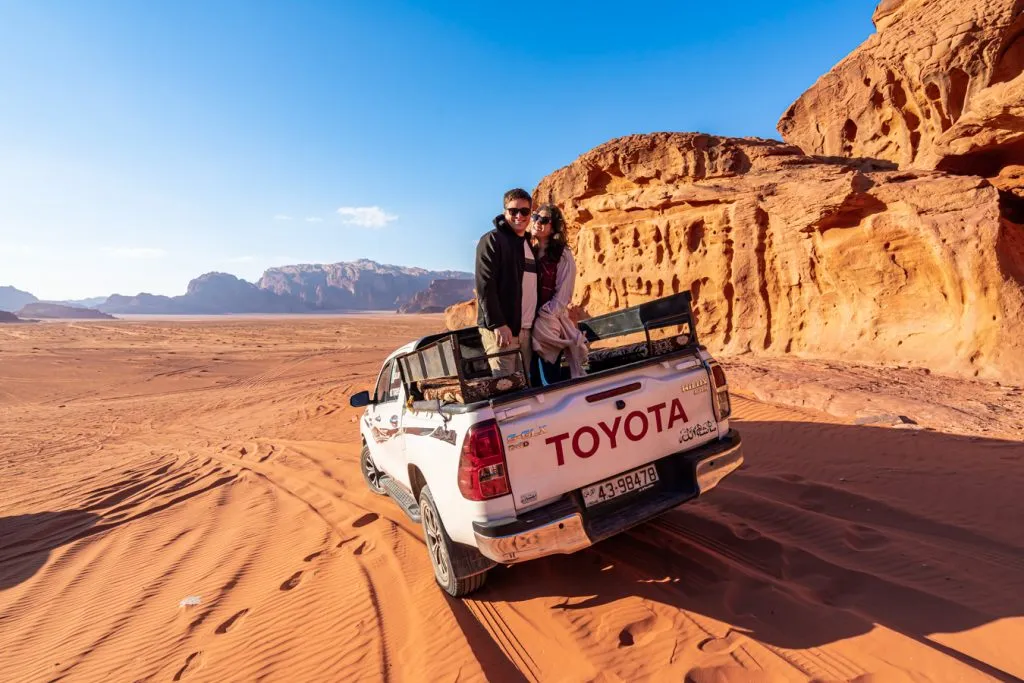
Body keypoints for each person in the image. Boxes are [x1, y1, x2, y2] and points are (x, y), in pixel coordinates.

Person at [474, 188, 537, 381]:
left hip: (526, 331)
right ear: (504, 212)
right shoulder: (492, 240)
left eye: (525, 211)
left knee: (527, 387)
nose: (519, 216)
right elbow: (485, 286)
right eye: (513, 211)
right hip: (503, 331)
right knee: (506, 389)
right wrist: (498, 323)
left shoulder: (527, 243)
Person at [528, 204, 588, 384]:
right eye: (536, 217)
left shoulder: (563, 254)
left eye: (545, 220)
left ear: (553, 226)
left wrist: (545, 315)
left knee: (549, 377)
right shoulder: (530, 250)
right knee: (532, 377)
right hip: (527, 321)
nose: (538, 223)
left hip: (547, 322)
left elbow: (563, 295)